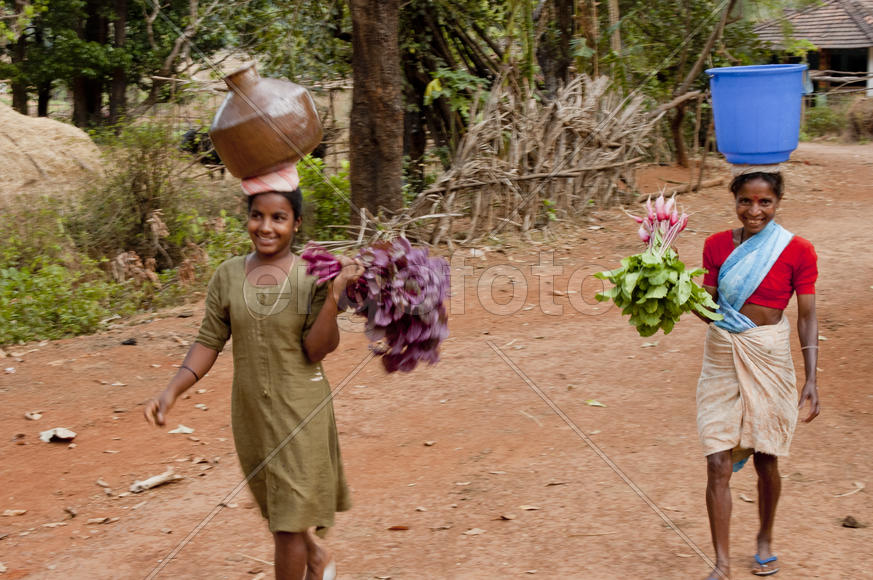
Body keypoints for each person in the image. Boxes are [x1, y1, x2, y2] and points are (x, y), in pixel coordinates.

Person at [144, 178, 362, 580]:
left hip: (301, 411)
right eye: (257, 216)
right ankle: (315, 557)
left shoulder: (311, 276)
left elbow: (318, 348)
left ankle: (306, 555)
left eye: (278, 218)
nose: (266, 227)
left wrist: (334, 296)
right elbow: (209, 341)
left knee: (286, 524)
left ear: (296, 223)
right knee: (279, 508)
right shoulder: (227, 276)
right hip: (252, 415)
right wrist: (170, 392)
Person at [696, 170, 820, 579]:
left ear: (778, 202)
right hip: (722, 355)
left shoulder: (798, 250)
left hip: (769, 357)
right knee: (716, 460)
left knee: (767, 459)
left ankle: (764, 537)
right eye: (746, 201)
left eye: (764, 202)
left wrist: (811, 378)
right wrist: (680, 297)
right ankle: (723, 562)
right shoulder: (715, 245)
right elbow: (710, 307)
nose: (754, 210)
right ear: (734, 200)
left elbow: (806, 316)